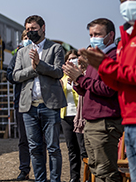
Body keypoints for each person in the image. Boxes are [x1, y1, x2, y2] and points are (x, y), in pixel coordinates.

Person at [80, 0, 136, 182]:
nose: (127, 3)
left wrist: (103, 66)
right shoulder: (127, 39)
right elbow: (118, 83)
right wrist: (88, 72)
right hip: (130, 121)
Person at [65, 18, 122, 182]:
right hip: (91, 121)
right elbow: (86, 90)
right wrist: (76, 79)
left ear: (110, 35)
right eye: (91, 34)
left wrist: (81, 79)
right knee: (96, 170)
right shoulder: (96, 57)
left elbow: (108, 89)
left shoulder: (113, 57)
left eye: (97, 34)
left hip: (104, 122)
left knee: (106, 172)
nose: (93, 38)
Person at [13, 15, 66, 182]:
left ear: (43, 29)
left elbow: (58, 72)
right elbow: (15, 75)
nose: (30, 32)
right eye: (28, 29)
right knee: (34, 148)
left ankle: (55, 179)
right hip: (29, 107)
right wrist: (34, 70)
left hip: (49, 105)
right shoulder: (21, 52)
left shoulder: (55, 49)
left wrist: (40, 64)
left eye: (34, 29)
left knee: (53, 148)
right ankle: (40, 180)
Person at [7, 30, 31, 180]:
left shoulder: (41, 53)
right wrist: (27, 73)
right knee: (23, 139)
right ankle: (24, 169)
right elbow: (10, 75)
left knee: (39, 140)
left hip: (38, 102)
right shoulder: (17, 55)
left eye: (30, 37)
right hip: (21, 102)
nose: (28, 40)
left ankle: (41, 171)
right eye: (25, 38)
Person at [59, 50, 85, 182]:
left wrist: (76, 80)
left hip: (79, 115)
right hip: (66, 114)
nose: (72, 61)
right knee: (71, 148)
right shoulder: (62, 76)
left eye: (74, 58)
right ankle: (74, 177)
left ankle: (87, 176)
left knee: (83, 148)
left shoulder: (81, 74)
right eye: (69, 59)